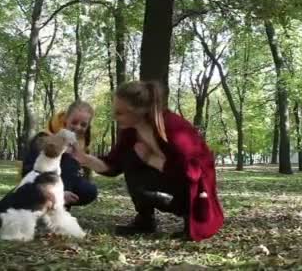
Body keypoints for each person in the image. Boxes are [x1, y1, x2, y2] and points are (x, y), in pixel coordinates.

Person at [71, 81, 224, 241]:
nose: (115, 117)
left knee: (139, 159)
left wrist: (151, 159)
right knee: (130, 159)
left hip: (195, 186)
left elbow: (192, 172)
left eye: (120, 113)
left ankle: (187, 214)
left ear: (139, 111)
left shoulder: (172, 127)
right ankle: (145, 220)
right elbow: (113, 165)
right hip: (167, 176)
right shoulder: (130, 131)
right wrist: (84, 159)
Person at [22, 100, 98, 209]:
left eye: (83, 124)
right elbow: (28, 170)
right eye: (74, 122)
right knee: (68, 160)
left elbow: (81, 172)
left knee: (89, 190)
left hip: (62, 182)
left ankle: (60, 205)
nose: (78, 127)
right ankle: (52, 206)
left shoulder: (81, 142)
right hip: (37, 183)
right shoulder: (43, 137)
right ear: (66, 119)